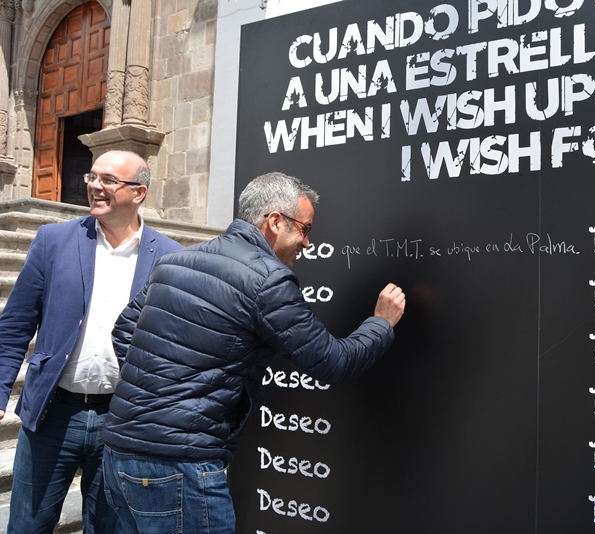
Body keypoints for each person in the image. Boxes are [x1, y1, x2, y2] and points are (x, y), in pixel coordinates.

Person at [102, 171, 405, 533]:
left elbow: (123, 331)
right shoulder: (268, 280)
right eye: (305, 229)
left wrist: (154, 388)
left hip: (118, 454)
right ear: (275, 222)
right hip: (180, 465)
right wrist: (381, 323)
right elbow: (333, 362)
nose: (308, 243)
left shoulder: (176, 262)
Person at [0, 150, 182, 533]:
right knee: (27, 526)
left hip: (123, 421)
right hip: (53, 414)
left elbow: (175, 346)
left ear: (139, 193)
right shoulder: (54, 240)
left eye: (109, 180)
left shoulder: (171, 258)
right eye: (93, 177)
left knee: (107, 527)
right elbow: (15, 325)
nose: (96, 186)